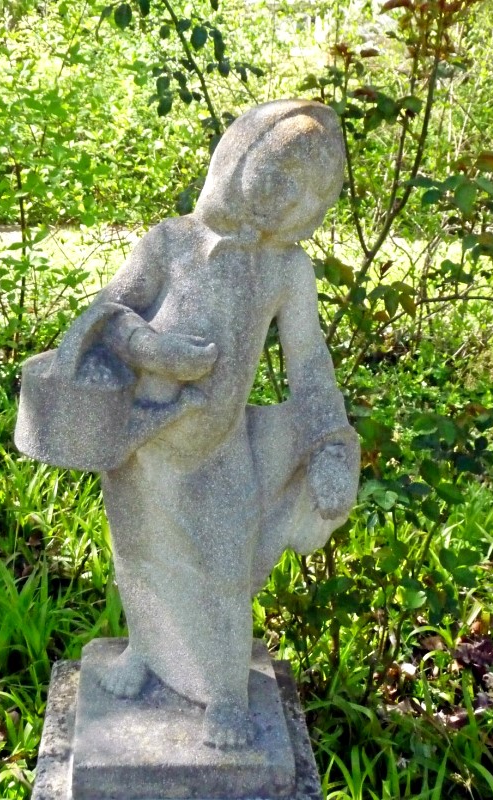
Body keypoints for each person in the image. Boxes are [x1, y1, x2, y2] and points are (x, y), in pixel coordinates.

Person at [69, 100, 359, 748]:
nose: (291, 203)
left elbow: (310, 366)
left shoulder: (286, 269)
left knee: (223, 563)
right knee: (138, 551)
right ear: (241, 157)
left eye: (312, 196)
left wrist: (331, 445)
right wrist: (149, 349)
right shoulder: (170, 243)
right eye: (282, 176)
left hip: (220, 446)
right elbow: (107, 312)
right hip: (144, 437)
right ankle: (146, 650)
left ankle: (225, 690)